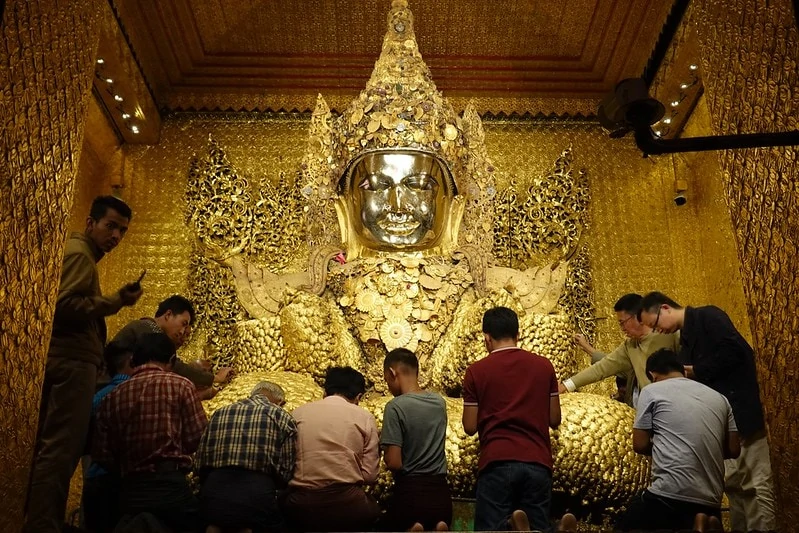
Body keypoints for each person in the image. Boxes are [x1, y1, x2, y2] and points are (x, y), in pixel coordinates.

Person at [24, 195, 143, 533]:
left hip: (69, 364)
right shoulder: (79, 255)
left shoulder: (83, 255)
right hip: (71, 365)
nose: (116, 236)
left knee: (51, 452)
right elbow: (64, 306)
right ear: (90, 223)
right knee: (60, 453)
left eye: (122, 230)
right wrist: (116, 301)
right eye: (110, 226)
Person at [638, 292, 776, 531]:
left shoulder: (708, 316)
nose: (658, 330)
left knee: (756, 483)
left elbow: (737, 352)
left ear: (665, 308)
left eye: (655, 323)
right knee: (733, 486)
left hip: (743, 413)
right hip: (723, 425)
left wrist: (695, 371)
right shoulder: (685, 342)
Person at [92, 332, 208, 532]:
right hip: (170, 489)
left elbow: (102, 455)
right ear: (171, 360)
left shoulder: (112, 397)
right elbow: (198, 438)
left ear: (134, 360)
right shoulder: (181, 386)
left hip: (129, 492)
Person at [615, 349, 740, 531]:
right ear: (683, 370)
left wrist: (669, 445)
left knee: (626, 523)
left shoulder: (651, 391)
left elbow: (639, 444)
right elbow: (734, 449)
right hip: (711, 501)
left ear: (652, 374)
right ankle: (702, 524)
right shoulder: (719, 397)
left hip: (668, 496)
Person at [462, 307, 560, 532]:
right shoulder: (544, 366)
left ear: (486, 338)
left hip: (497, 461)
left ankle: (509, 525)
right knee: (538, 524)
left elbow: (469, 427)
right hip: (537, 462)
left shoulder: (476, 371)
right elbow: (554, 418)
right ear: (518, 335)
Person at [282, 366, 380, 532]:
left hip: (302, 506)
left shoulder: (297, 414)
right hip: (348, 505)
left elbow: (284, 468)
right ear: (358, 397)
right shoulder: (364, 417)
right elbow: (370, 476)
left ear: (325, 392)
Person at [196, 381, 297, 533]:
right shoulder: (281, 415)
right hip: (257, 494)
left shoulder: (220, 412)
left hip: (213, 492)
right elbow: (286, 471)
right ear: (280, 401)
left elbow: (200, 462)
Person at [558, 294, 680, 408]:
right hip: (651, 408)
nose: (622, 329)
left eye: (622, 323)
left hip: (676, 403)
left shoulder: (668, 333)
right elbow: (602, 367)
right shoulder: (630, 345)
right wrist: (566, 385)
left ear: (637, 316)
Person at [379, 348, 452, 532]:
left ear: (392, 373)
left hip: (410, 493)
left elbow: (395, 462)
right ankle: (439, 522)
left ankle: (415, 525)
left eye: (387, 380)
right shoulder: (439, 402)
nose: (388, 385)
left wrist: (384, 452)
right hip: (440, 492)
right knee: (439, 521)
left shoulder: (395, 407)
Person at [111, 294, 233, 398]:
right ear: (168, 314)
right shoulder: (148, 329)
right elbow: (176, 366)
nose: (181, 332)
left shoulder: (148, 329)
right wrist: (215, 378)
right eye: (183, 324)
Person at [82, 342, 134, 532]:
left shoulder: (96, 397)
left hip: (95, 478)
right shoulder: (135, 393)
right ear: (132, 361)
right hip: (121, 482)